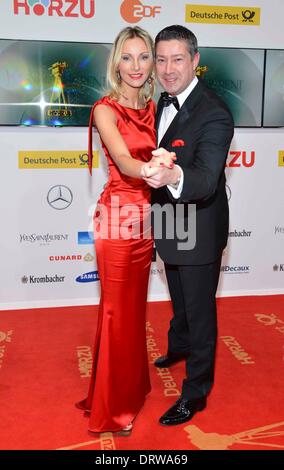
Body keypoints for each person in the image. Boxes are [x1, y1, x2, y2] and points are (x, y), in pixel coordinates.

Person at [75, 26, 175, 435]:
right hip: (117, 221)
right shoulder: (104, 109)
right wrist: (151, 169)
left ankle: (129, 389)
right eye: (127, 57)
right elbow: (123, 158)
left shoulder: (156, 106)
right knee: (117, 312)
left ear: (153, 62)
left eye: (144, 57)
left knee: (133, 312)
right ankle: (112, 408)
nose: (136, 66)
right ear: (116, 61)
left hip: (147, 220)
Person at [143, 25, 234, 426]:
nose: (167, 68)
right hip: (167, 218)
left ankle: (195, 393)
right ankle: (177, 347)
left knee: (199, 313)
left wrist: (173, 177)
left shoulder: (214, 111)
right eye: (160, 59)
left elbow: (207, 176)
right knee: (177, 294)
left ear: (195, 61)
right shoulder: (155, 101)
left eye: (177, 59)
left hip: (198, 223)